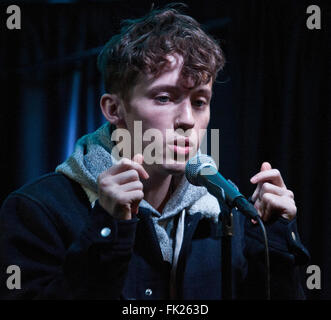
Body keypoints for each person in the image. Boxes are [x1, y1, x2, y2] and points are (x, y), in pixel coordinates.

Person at [0, 5, 309, 300]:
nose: (187, 119)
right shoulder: (36, 210)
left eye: (200, 101)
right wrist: (108, 228)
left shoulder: (226, 212)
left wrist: (275, 241)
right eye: (164, 97)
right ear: (114, 109)